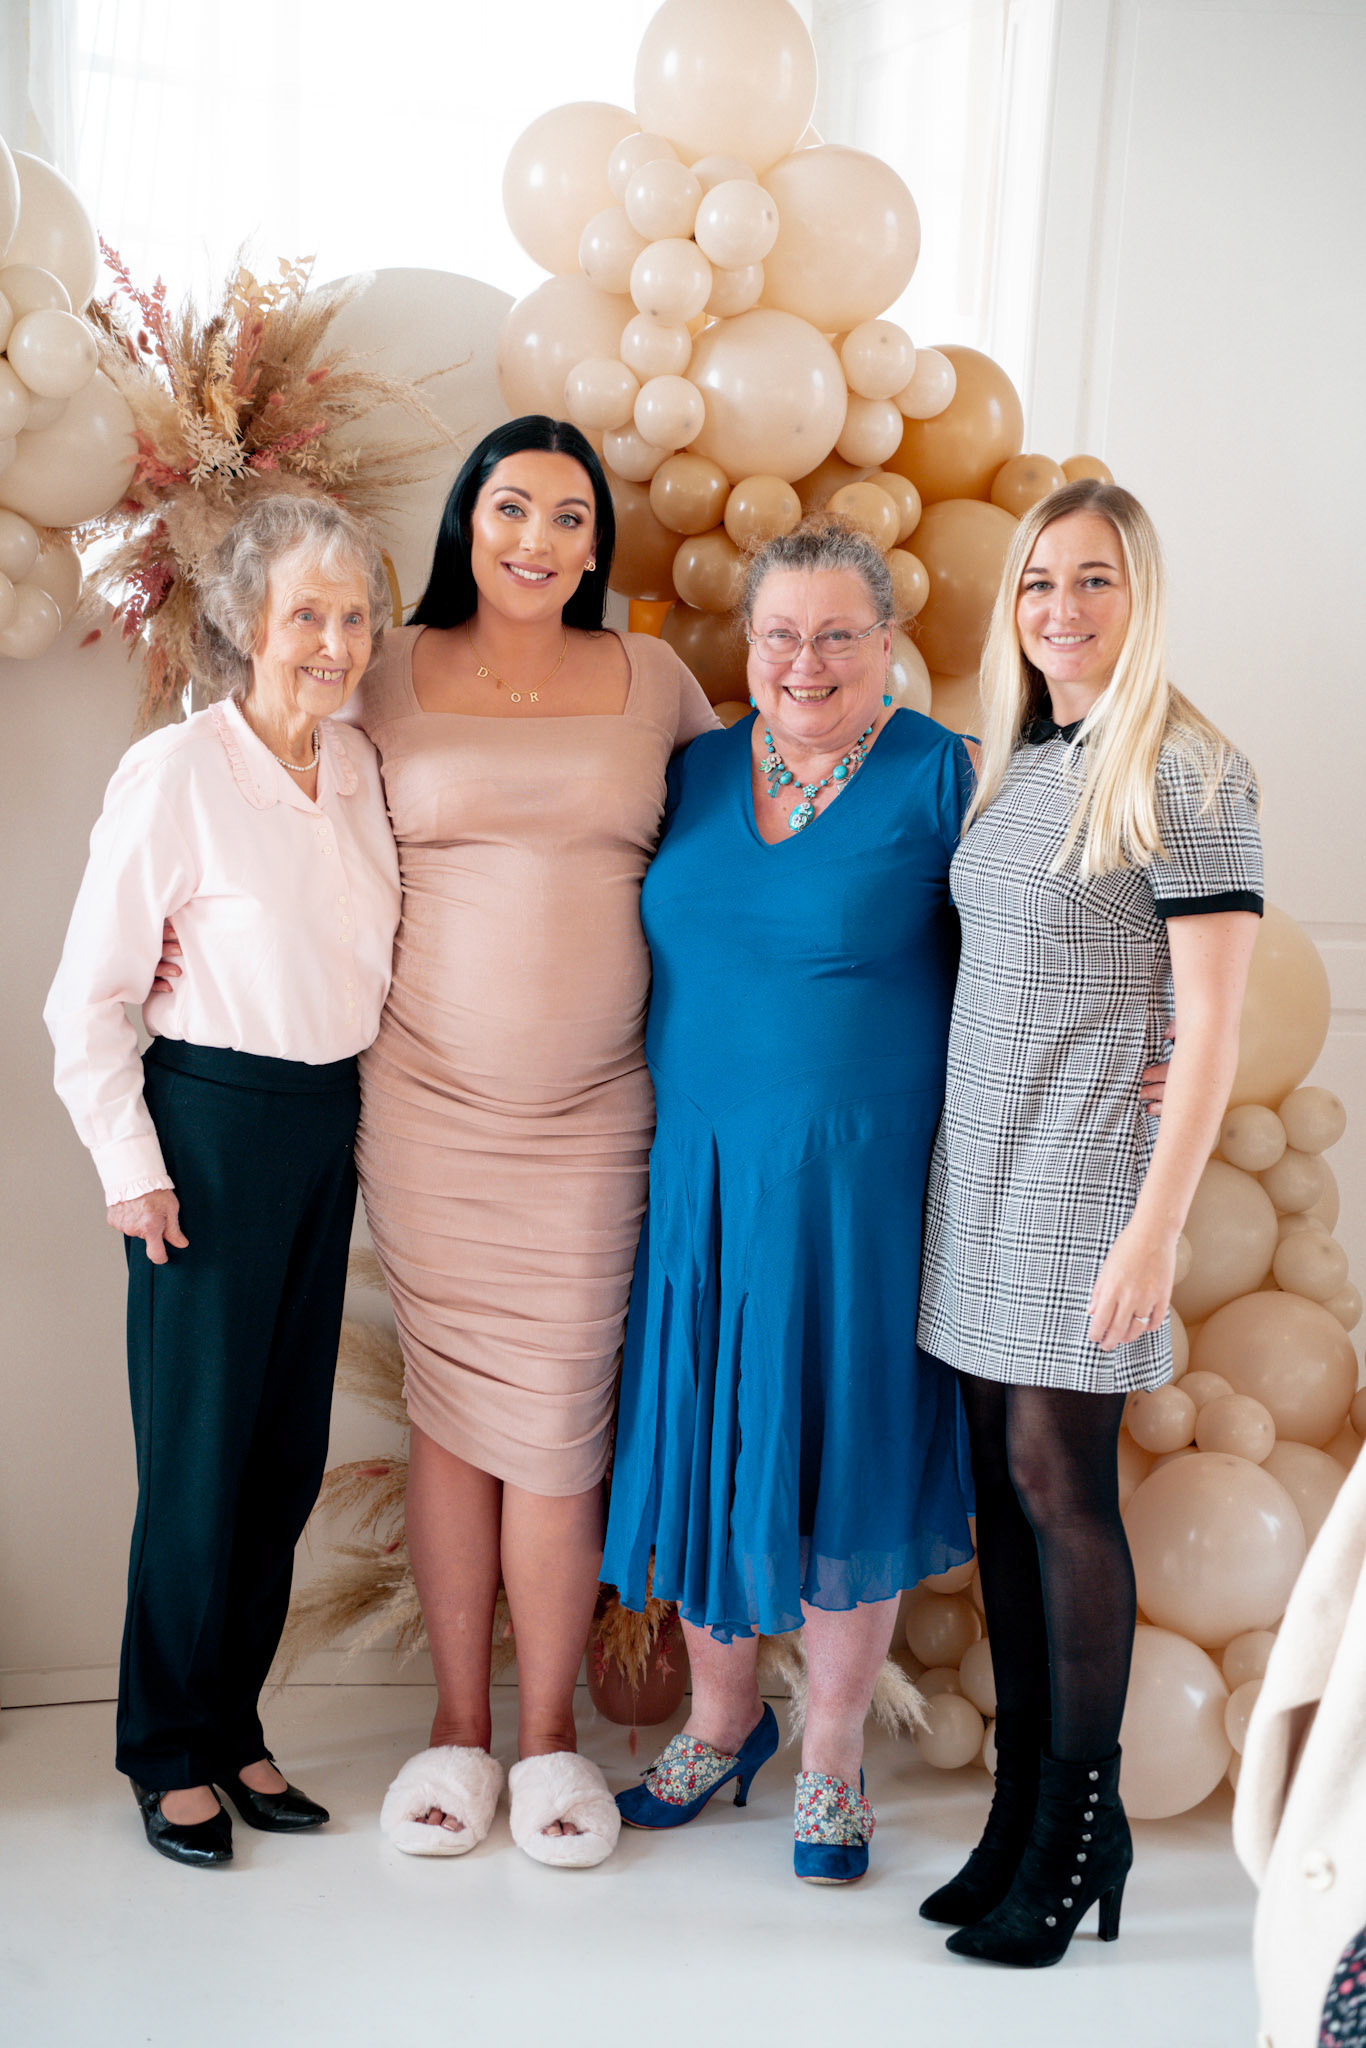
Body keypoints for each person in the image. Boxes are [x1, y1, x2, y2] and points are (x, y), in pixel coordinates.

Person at [345, 417, 719, 1870]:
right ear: (467, 518)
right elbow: (286, 822)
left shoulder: (653, 679)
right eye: (514, 507)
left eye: (572, 518)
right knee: (451, 1415)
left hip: (597, 1116)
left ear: (595, 545)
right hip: (426, 1106)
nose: (540, 540)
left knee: (560, 1422)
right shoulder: (384, 671)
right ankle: (456, 1731)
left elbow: (749, 845)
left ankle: (549, 1740)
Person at [598, 519, 977, 1884]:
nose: (804, 661)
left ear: (887, 644)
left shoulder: (944, 777)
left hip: (854, 1194)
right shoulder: (693, 770)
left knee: (840, 1449)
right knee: (709, 1440)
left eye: (835, 636)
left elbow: (1040, 949)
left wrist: (1155, 1040)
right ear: (747, 644)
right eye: (779, 635)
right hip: (698, 1178)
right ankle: (718, 1724)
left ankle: (829, 1752)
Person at [916, 479, 1263, 1966]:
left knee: (1063, 1492)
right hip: (981, 1177)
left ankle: (1076, 1831)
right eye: (1039, 581)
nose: (1061, 608)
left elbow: (1213, 1028)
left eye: (1095, 580)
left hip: (1090, 1186)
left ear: (1142, 596)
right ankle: (1017, 1814)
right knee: (1001, 1497)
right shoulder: (1020, 762)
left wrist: (1154, 1230)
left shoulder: (1187, 767)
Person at [44, 495, 401, 1867]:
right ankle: (166, 1748)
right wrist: (132, 1171)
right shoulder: (177, 773)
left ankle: (235, 1724)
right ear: (249, 621)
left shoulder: (358, 765)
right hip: (206, 1133)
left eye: (353, 616)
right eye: (306, 613)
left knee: (281, 1459)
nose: (333, 642)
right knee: (199, 1463)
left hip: (325, 1127)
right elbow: (87, 1000)